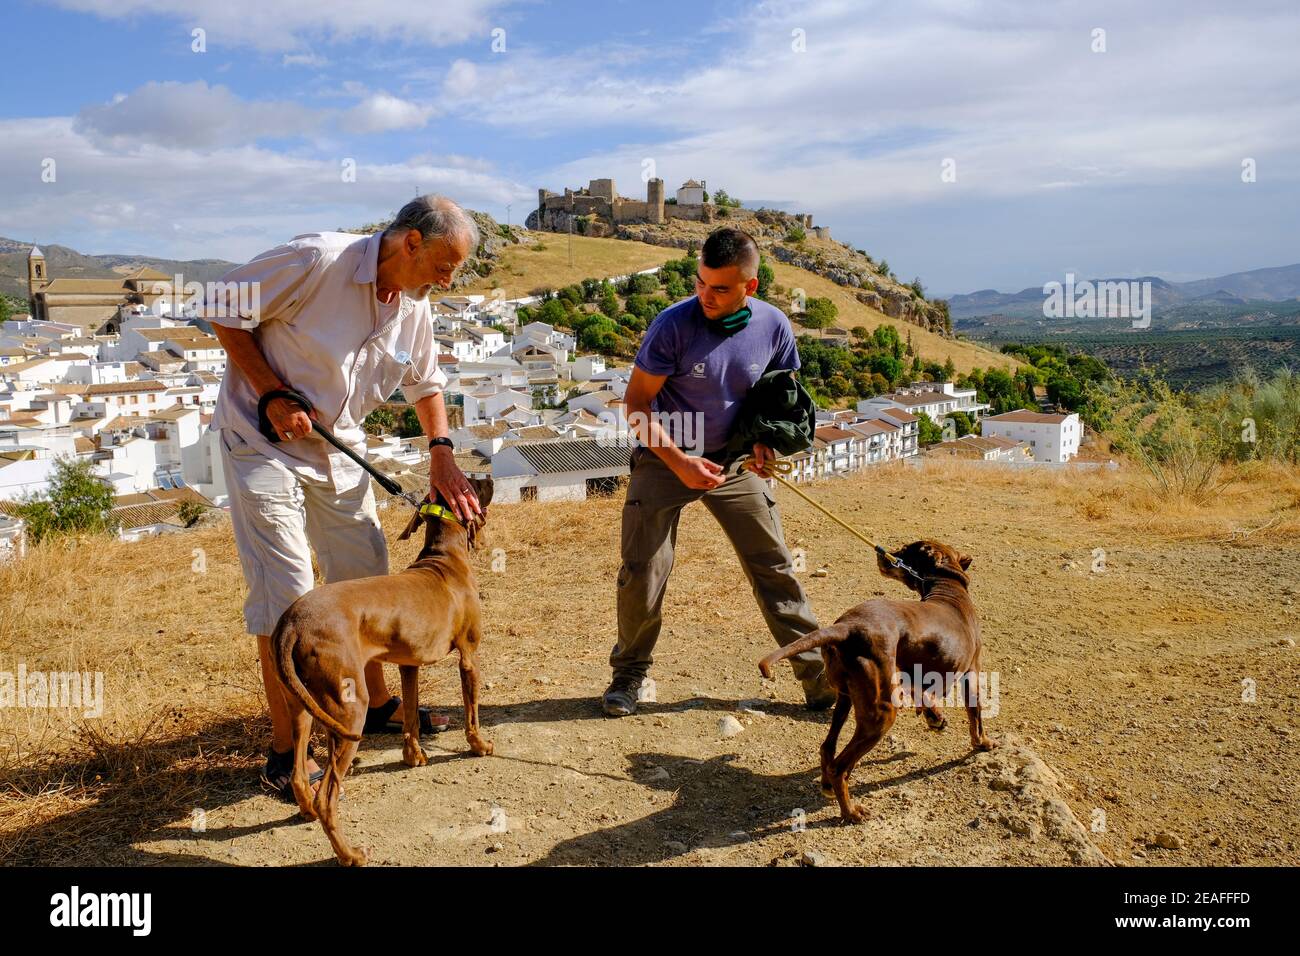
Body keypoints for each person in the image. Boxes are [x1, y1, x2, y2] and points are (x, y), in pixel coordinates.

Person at [206, 195, 483, 798]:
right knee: (290, 593)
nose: (447, 279)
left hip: (339, 446)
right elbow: (220, 307)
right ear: (410, 242)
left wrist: (441, 452)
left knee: (368, 580)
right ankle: (288, 749)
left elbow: (425, 383)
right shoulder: (315, 260)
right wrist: (272, 393)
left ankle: (375, 706)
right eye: (444, 264)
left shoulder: (413, 305)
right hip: (262, 441)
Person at [602, 226, 834, 717]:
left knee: (774, 568)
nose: (705, 296)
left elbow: (779, 396)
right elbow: (637, 404)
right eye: (700, 283)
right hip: (665, 458)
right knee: (643, 572)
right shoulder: (672, 326)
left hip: (734, 462)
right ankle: (628, 677)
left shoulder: (774, 326)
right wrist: (680, 462)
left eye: (720, 288)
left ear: (750, 286)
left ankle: (819, 679)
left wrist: (767, 442)